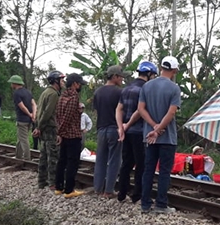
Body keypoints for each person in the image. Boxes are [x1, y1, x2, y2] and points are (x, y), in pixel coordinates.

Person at [139, 56, 181, 214]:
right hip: (167, 138)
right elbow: (171, 113)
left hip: (149, 137)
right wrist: (159, 129)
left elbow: (141, 109)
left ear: (161, 67)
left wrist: (153, 126)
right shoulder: (174, 88)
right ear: (174, 70)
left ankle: (145, 204)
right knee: (164, 171)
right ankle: (161, 205)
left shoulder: (147, 86)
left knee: (148, 169)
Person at [116, 61, 158, 203]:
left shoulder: (127, 88)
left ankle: (122, 193)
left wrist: (121, 127)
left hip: (127, 132)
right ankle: (137, 195)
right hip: (139, 131)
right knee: (141, 164)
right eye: (153, 75)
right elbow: (140, 111)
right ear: (149, 74)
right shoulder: (146, 89)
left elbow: (119, 109)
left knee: (126, 162)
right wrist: (127, 125)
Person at [93, 65, 130, 198]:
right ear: (114, 77)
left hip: (101, 128)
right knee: (115, 159)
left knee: (101, 159)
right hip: (115, 128)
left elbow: (97, 111)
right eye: (121, 77)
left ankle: (97, 188)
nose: (122, 79)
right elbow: (122, 111)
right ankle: (108, 190)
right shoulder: (120, 92)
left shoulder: (97, 92)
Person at [54, 73, 88, 198]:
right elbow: (67, 118)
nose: (80, 86)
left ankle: (58, 187)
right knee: (72, 163)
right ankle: (69, 190)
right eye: (79, 84)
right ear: (75, 84)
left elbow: (58, 115)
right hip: (72, 135)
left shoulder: (62, 96)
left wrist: (59, 132)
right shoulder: (74, 97)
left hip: (63, 135)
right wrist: (60, 132)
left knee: (61, 161)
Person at [34, 71, 66, 190]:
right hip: (50, 128)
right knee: (53, 157)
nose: (63, 82)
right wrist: (40, 127)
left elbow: (39, 111)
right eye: (61, 80)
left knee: (43, 156)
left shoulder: (45, 92)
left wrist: (38, 126)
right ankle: (52, 182)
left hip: (43, 127)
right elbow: (48, 112)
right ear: (55, 81)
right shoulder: (53, 94)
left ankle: (41, 181)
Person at [8, 75, 37, 160]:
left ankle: (27, 158)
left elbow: (22, 107)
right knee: (20, 138)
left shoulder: (16, 93)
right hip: (29, 120)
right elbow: (34, 104)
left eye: (11, 83)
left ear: (15, 83)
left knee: (24, 139)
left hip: (22, 120)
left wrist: (29, 114)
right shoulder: (28, 92)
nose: (11, 85)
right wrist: (33, 115)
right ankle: (18, 156)